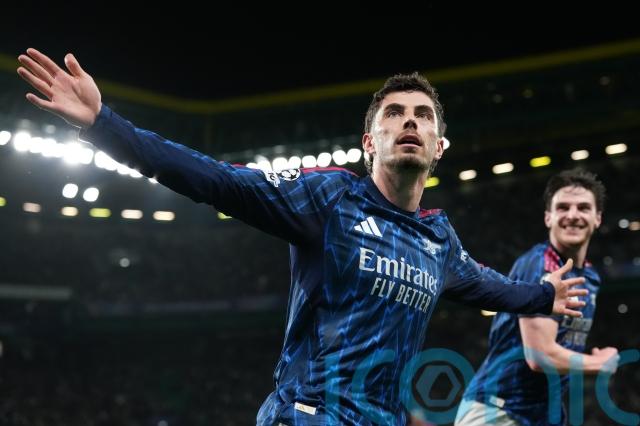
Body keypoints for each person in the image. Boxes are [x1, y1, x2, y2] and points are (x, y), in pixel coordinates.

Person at [17, 48, 587, 426]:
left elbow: (491, 286)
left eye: (422, 115)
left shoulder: (440, 241)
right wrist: (106, 126)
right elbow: (217, 180)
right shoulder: (330, 199)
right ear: (370, 142)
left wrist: (545, 296)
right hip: (308, 415)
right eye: (394, 113)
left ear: (439, 147)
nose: (410, 121)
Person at [456, 169, 620, 426]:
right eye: (563, 207)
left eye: (583, 207)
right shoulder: (540, 265)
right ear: (548, 217)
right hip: (499, 411)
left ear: (598, 218)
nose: (573, 215)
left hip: (539, 415)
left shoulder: (590, 276)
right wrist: (598, 363)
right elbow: (540, 356)